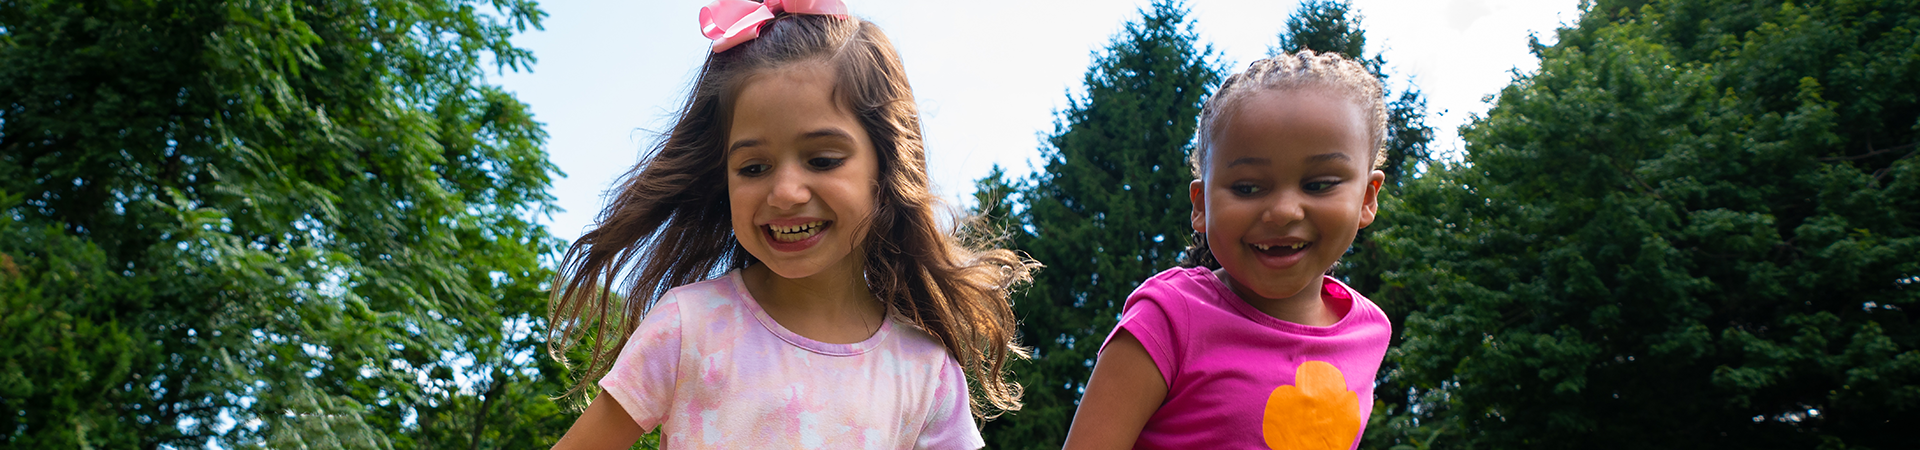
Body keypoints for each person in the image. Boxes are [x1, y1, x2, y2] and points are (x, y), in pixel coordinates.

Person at [546, 1, 1035, 448]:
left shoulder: (924, 370)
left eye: (822, 159)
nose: (785, 193)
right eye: (753, 168)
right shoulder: (688, 326)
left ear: (886, 169)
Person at [1064, 50, 1394, 450]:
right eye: (1248, 188)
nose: (1284, 211)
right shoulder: (1168, 318)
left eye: (1320, 184)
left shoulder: (1369, 333)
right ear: (1201, 205)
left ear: (1367, 198)